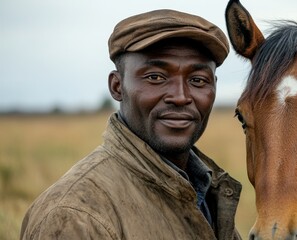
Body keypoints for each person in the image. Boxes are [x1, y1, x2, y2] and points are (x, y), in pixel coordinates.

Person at [20, 9, 242, 240]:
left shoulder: (206, 191)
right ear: (117, 87)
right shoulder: (75, 216)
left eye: (198, 80)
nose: (180, 96)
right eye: (155, 77)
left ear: (214, 87)